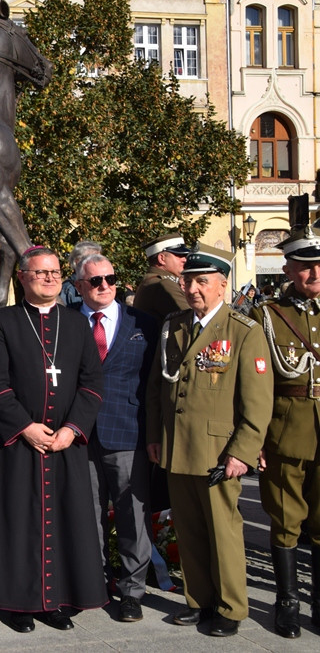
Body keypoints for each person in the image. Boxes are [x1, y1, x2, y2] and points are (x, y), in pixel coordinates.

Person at [0, 246, 106, 633]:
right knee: (17, 521)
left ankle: (57, 602)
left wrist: (71, 430)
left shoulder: (76, 323)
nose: (49, 279)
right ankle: (19, 603)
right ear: (22, 278)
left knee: (64, 521)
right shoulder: (2, 322)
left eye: (54, 273)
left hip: (64, 444)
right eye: (40, 273)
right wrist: (26, 427)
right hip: (19, 443)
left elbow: (92, 383)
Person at [146, 244, 271, 637]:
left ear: (222, 285)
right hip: (176, 445)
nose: (193, 288)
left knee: (224, 532)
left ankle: (231, 607)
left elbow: (257, 404)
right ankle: (198, 601)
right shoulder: (175, 325)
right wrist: (154, 437)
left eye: (203, 282)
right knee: (188, 530)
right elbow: (155, 389)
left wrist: (241, 453)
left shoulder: (242, 331)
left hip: (218, 451)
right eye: (188, 280)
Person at [73, 254, 157, 623]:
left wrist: (155, 434)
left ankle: (132, 592)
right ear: (79, 287)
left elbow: (156, 385)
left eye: (109, 278)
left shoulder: (145, 324)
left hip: (128, 433)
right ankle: (95, 583)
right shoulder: (66, 322)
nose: (104, 285)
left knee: (131, 516)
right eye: (94, 281)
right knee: (87, 514)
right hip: (79, 435)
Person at [251, 226, 320, 638]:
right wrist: (256, 437)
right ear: (288, 269)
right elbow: (255, 382)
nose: (315, 274)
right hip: (285, 431)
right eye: (306, 267)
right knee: (285, 519)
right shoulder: (268, 315)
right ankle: (288, 603)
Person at [132, 233, 191, 321]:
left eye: (185, 255)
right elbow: (191, 318)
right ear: (162, 259)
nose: (184, 259)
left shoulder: (151, 280)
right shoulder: (163, 284)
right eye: (179, 255)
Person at [59, 241, 101, 307]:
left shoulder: (102, 284)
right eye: (94, 260)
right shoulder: (68, 290)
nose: (99, 263)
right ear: (78, 261)